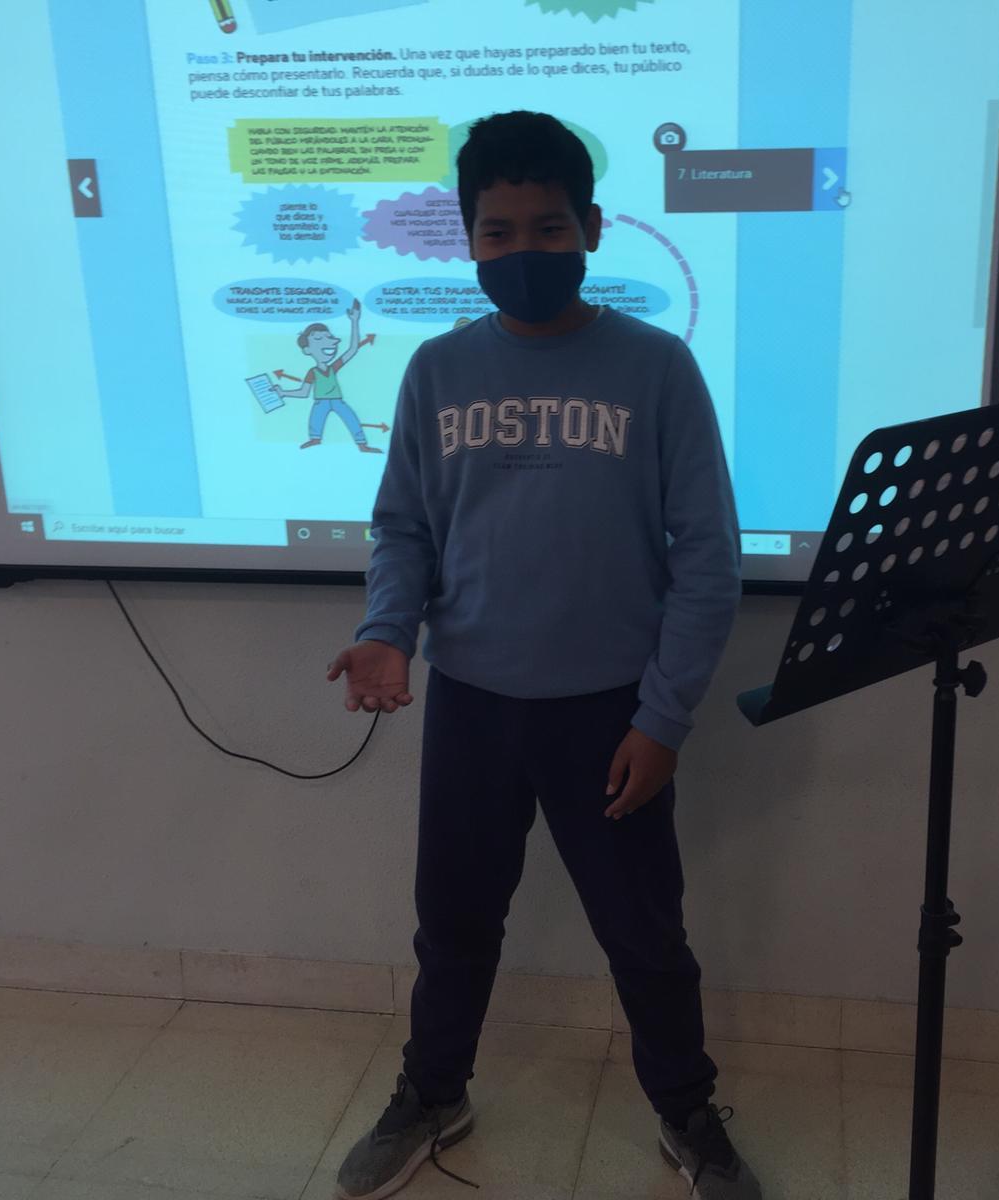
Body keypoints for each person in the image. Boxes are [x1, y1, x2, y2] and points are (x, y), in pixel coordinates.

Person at [328, 111, 756, 1200]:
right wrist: (386, 631)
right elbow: (403, 529)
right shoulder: (436, 370)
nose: (524, 252)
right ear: (469, 240)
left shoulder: (655, 368)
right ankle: (435, 1092)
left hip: (610, 715)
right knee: (454, 926)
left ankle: (686, 1111)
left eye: (548, 228)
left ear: (592, 229)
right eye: (498, 232)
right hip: (474, 703)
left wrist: (663, 719)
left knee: (644, 936)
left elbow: (709, 558)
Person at [276, 302, 382, 452]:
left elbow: (352, 349)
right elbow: (303, 392)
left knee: (351, 419)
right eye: (318, 339)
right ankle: (315, 439)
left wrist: (354, 321)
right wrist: (283, 393)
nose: (330, 343)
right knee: (316, 420)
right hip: (321, 402)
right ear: (307, 350)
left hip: (337, 400)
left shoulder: (333, 367)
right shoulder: (313, 372)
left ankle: (362, 444)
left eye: (329, 337)